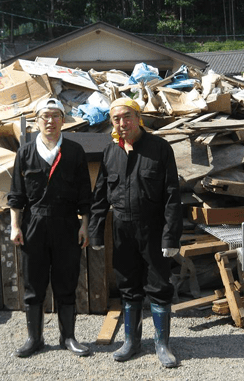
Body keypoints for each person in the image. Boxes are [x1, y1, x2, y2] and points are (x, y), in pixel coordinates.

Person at [89, 97, 183, 368]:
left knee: (159, 286)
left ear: (138, 117)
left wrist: (170, 236)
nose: (122, 122)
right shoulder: (110, 152)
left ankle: (162, 344)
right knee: (128, 286)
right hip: (122, 230)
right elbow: (99, 196)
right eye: (116, 118)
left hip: (152, 229)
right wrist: (95, 233)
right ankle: (131, 341)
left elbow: (171, 196)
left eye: (127, 116)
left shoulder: (160, 149)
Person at [8, 97, 92, 358]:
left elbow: (85, 194)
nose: (50, 121)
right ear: (36, 121)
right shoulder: (25, 152)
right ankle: (35, 338)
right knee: (34, 283)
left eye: (56, 116)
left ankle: (68, 337)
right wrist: (15, 227)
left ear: (63, 121)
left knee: (66, 281)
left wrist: (84, 226)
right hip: (34, 224)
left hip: (67, 223)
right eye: (45, 116)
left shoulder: (75, 151)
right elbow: (16, 194)